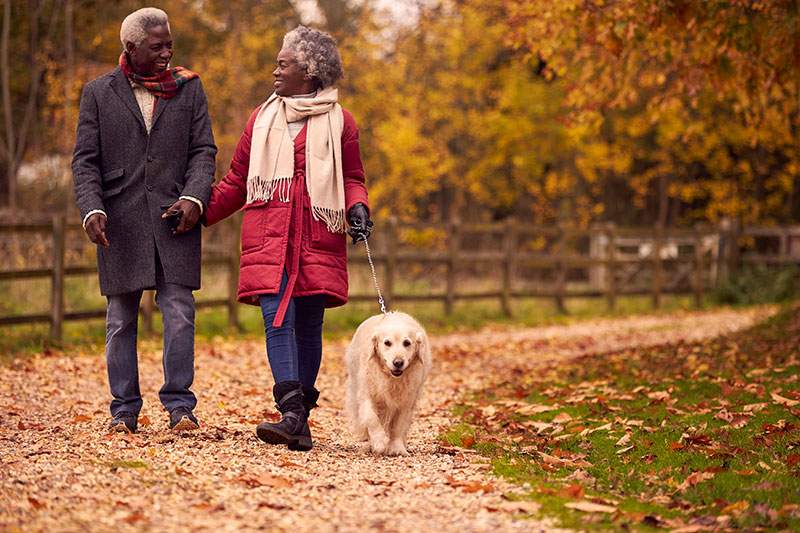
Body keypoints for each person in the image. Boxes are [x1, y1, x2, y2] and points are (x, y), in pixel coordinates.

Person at [205, 25, 373, 451]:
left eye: (285, 64)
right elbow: (239, 180)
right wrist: (199, 212)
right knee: (276, 318)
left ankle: (297, 421)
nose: (275, 71)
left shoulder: (341, 122)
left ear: (311, 72)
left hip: (319, 236)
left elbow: (352, 177)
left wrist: (358, 207)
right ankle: (292, 412)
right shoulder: (261, 118)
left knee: (309, 324)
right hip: (271, 238)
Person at [72, 8, 216, 433]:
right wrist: (91, 209)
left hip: (176, 218)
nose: (167, 52)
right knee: (120, 320)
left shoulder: (189, 89)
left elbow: (204, 151)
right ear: (131, 48)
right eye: (157, 46)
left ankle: (180, 407)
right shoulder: (98, 93)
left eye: (169, 43)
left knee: (179, 313)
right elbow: (85, 161)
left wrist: (194, 197)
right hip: (120, 222)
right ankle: (124, 410)